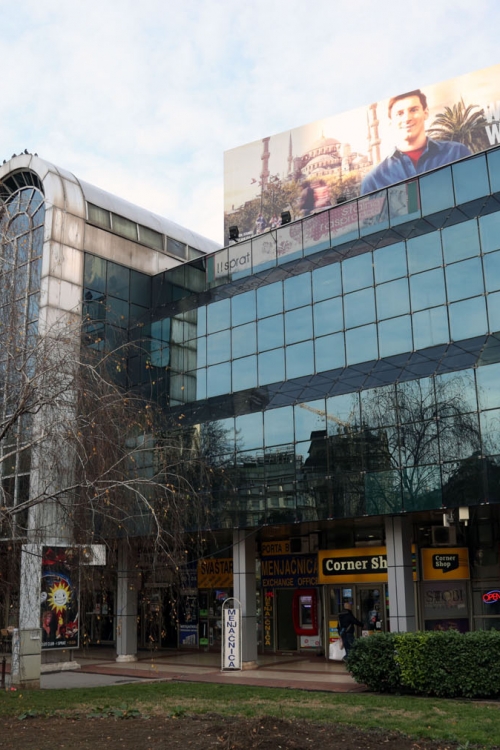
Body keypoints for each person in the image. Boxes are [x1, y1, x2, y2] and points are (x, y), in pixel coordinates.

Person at [361, 89, 471, 195]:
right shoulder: (374, 181)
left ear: (425, 113)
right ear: (391, 122)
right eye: (399, 113)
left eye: (413, 110)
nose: (407, 118)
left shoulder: (457, 153)